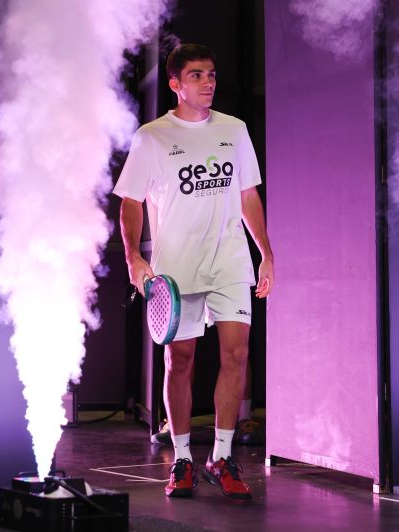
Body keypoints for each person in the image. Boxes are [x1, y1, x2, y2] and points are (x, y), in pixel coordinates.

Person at [114, 43, 273, 500]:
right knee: (179, 360)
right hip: (176, 269)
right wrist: (133, 257)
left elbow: (247, 195)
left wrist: (265, 252)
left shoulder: (234, 130)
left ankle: (221, 456)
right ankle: (182, 458)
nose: (208, 82)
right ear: (175, 84)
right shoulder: (152, 137)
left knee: (236, 354)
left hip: (229, 262)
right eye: (197, 75)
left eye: (212, 74)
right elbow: (130, 202)